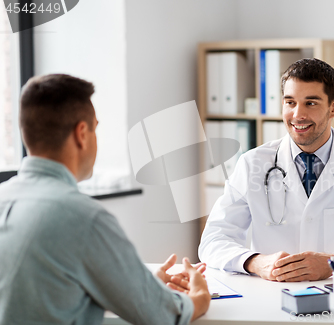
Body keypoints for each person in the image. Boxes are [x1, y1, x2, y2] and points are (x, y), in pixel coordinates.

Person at [0, 74, 210, 324]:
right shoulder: (83, 218)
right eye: (96, 128)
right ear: (82, 134)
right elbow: (161, 316)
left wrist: (144, 286)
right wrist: (199, 297)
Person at [199, 58, 334, 282]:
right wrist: (256, 262)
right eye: (290, 102)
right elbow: (213, 241)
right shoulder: (252, 164)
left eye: (311, 103)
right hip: (270, 299)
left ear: (333, 107)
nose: (298, 115)